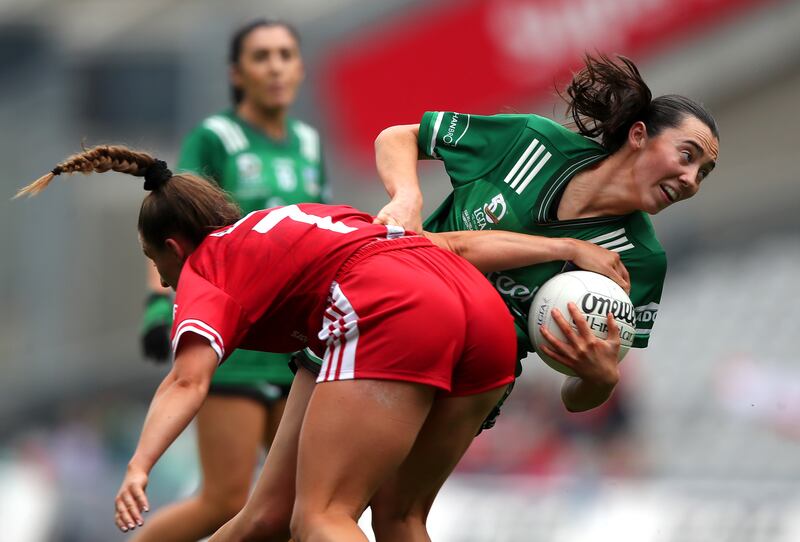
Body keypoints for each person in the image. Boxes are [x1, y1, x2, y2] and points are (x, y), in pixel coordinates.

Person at [17, 146, 626, 542]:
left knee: (323, 518)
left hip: (393, 310)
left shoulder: (207, 269)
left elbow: (186, 380)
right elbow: (451, 249)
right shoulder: (304, 219)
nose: (165, 280)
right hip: (481, 315)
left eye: (157, 263)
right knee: (394, 517)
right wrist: (567, 249)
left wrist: (139, 464)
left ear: (174, 247)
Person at [372, 53, 719, 416]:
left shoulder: (641, 261)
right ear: (638, 136)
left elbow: (574, 397)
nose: (691, 180)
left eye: (703, 173)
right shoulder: (531, 142)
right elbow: (397, 138)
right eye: (686, 156)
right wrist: (407, 198)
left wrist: (600, 380)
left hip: (469, 385)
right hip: (400, 310)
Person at [137, 18, 327, 541]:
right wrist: (159, 309)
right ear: (236, 73)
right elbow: (168, 223)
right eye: (261, 56)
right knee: (225, 500)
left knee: (298, 505)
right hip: (233, 337)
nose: (275, 67)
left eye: (286, 54)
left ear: (300, 67)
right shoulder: (215, 137)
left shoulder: (309, 142)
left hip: (292, 341)